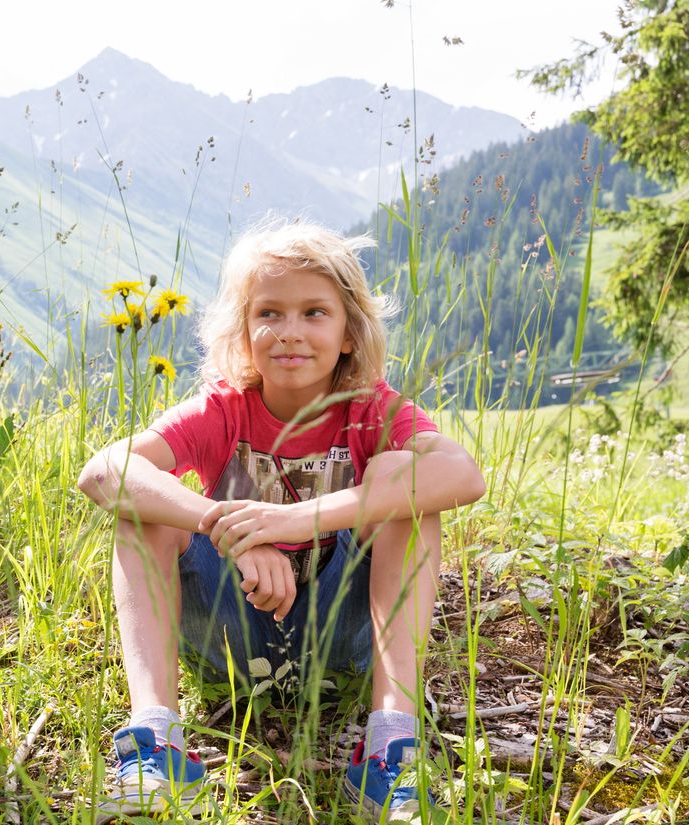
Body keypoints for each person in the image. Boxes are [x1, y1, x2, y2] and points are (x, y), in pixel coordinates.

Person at [77, 220, 485, 821]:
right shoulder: (223, 409)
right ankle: (157, 745)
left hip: (343, 642)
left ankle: (390, 750)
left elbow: (463, 475)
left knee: (407, 486)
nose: (290, 332)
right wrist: (230, 527)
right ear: (244, 331)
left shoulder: (373, 411)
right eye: (269, 312)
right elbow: (103, 472)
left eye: (315, 312)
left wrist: (296, 520)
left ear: (350, 332)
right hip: (229, 635)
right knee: (149, 505)